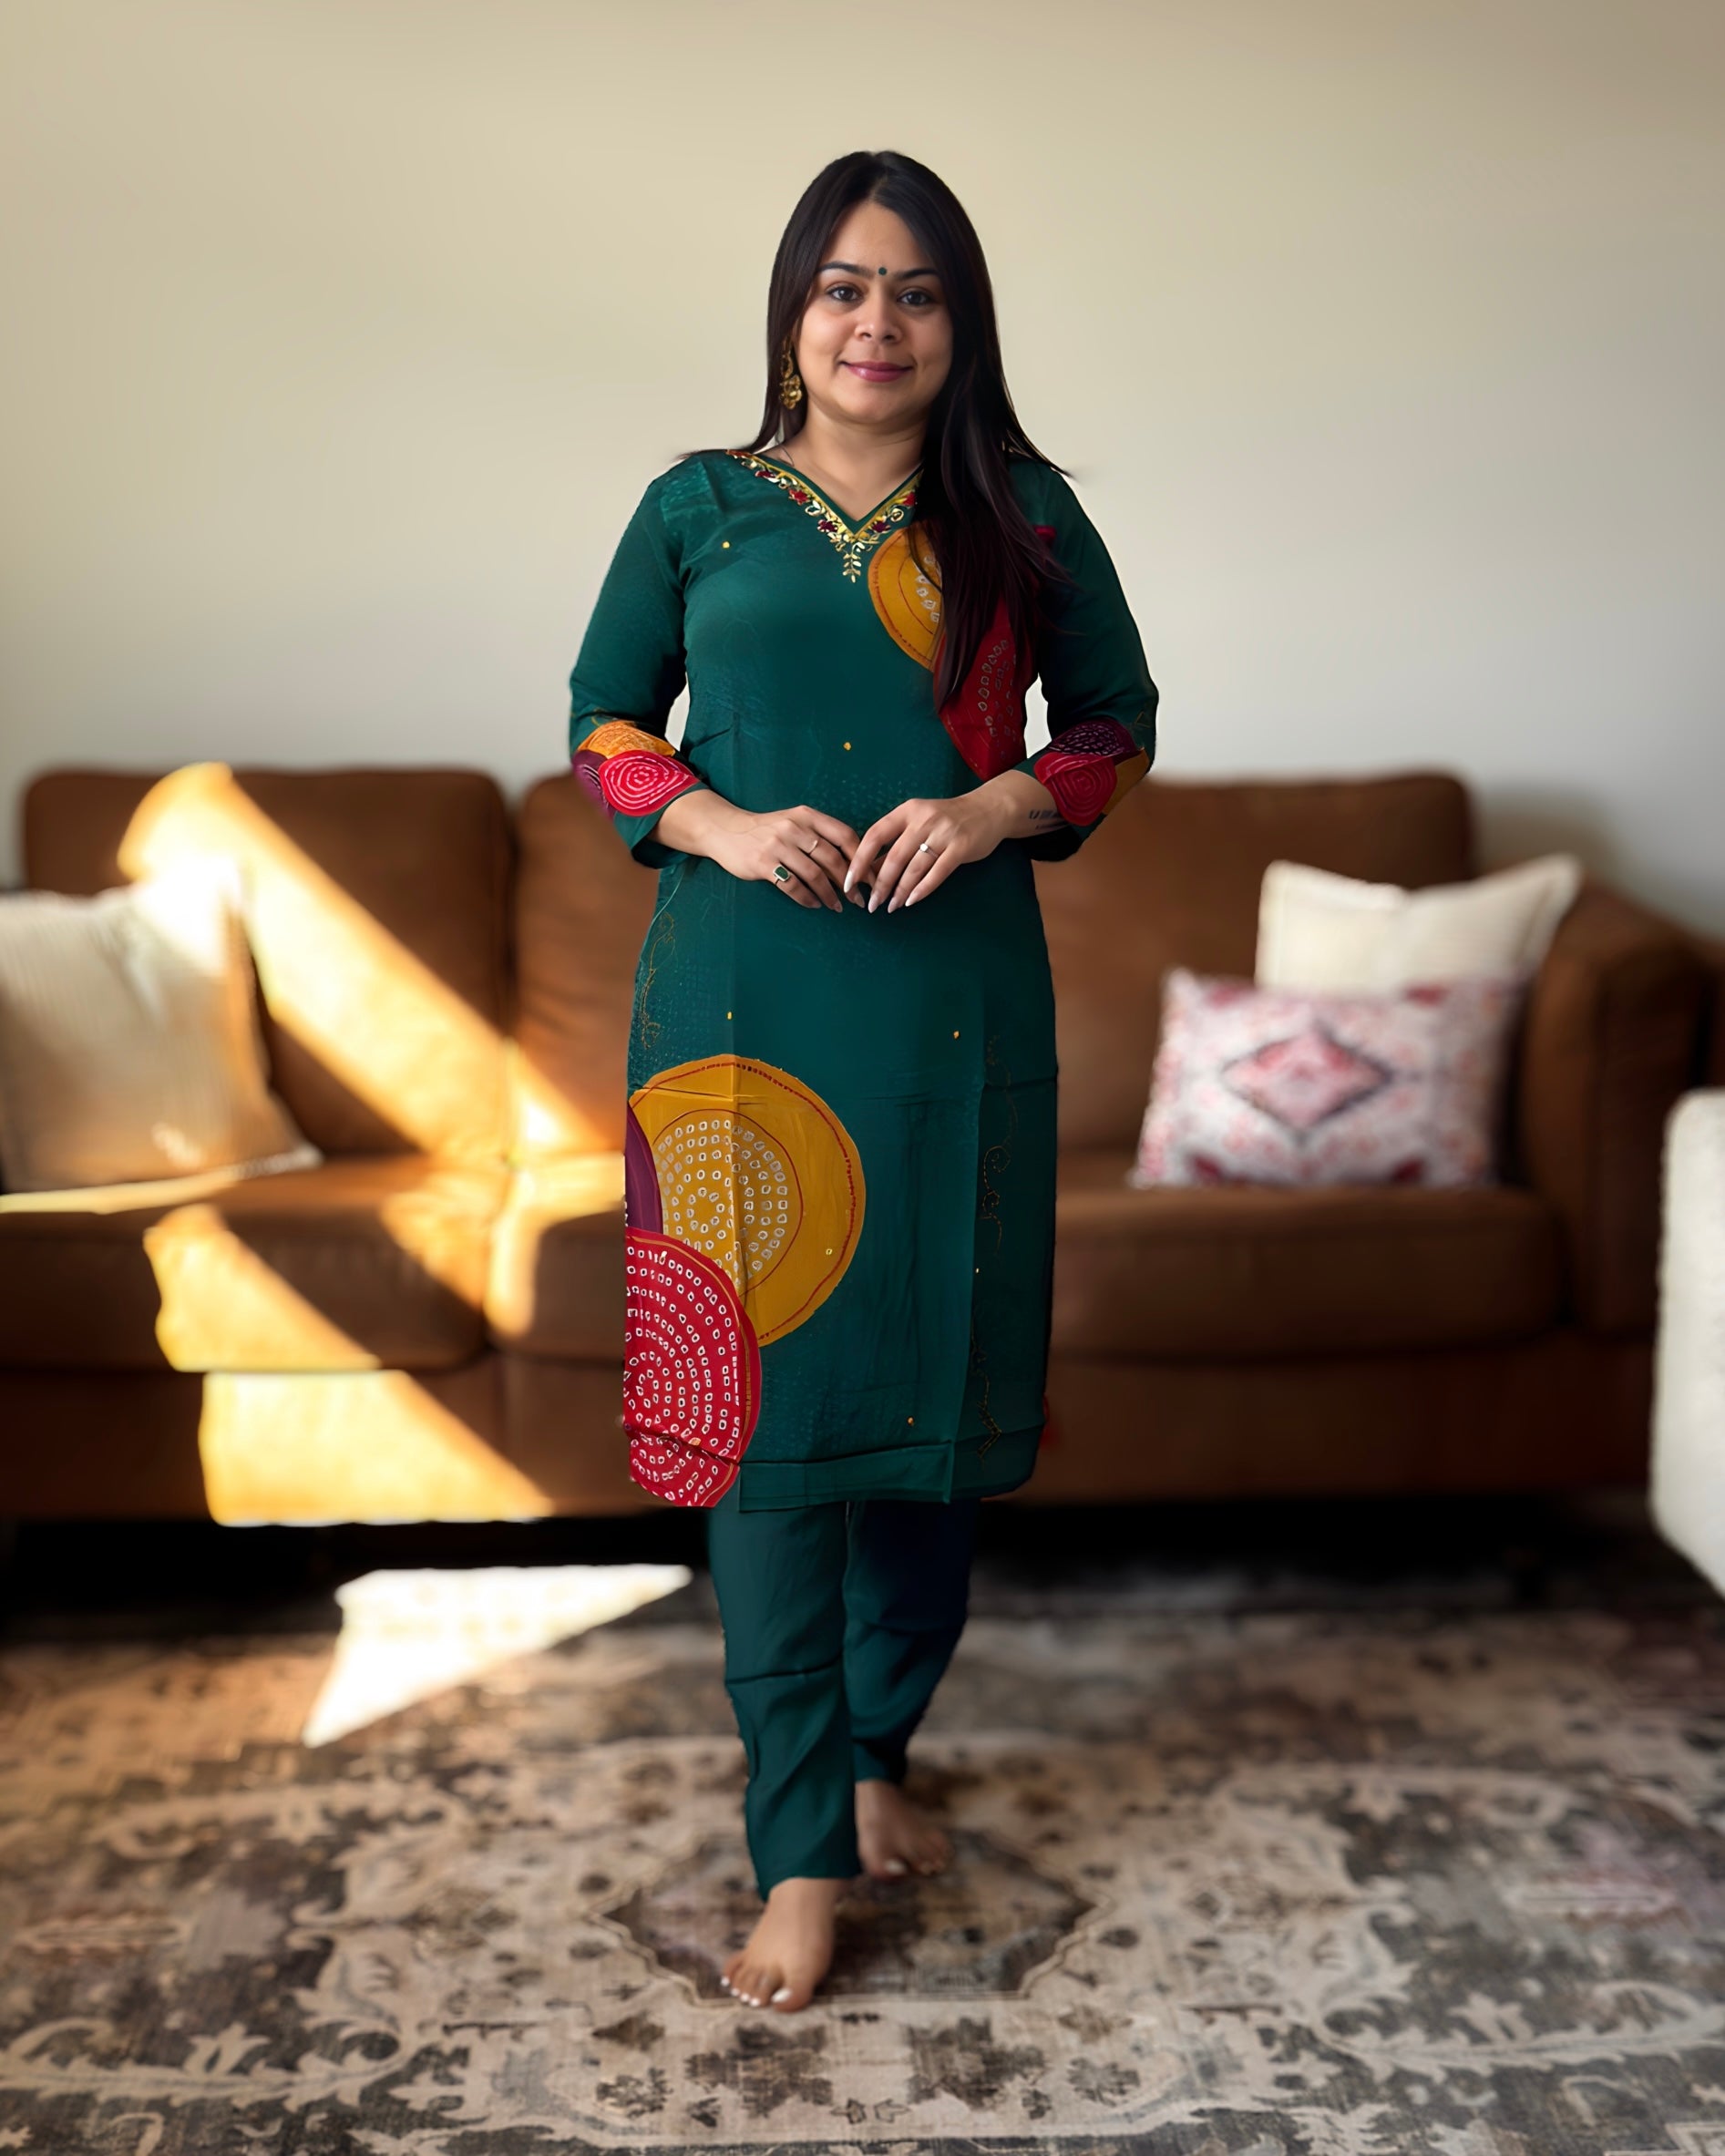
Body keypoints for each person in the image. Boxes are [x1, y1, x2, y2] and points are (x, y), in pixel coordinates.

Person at [567, 149, 1158, 2013]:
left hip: (948, 1020)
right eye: (840, 285)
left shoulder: (1022, 513)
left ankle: (880, 1746)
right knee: (751, 1428)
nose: (873, 320)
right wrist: (724, 827)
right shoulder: (696, 506)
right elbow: (596, 726)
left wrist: (994, 801)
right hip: (737, 1018)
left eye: (912, 289)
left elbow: (1114, 722)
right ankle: (796, 1846)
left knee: (927, 1403)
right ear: (791, 313)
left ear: (957, 322)